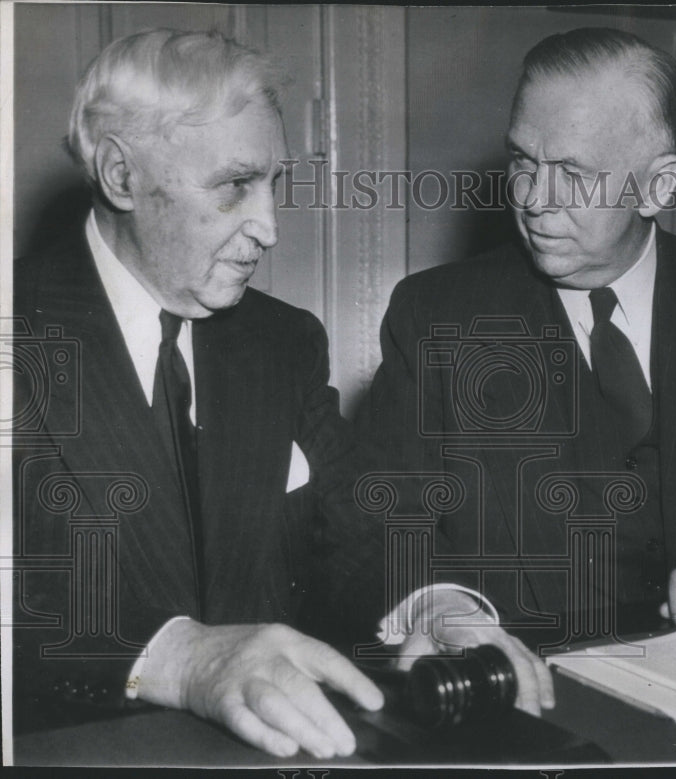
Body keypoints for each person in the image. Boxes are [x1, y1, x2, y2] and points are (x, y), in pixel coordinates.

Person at [11, 29, 550, 760]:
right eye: (236, 184)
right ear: (120, 174)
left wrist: (437, 603)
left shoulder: (282, 342)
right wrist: (178, 658)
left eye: (274, 185)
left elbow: (362, 521)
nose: (267, 227)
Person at [357, 27, 676, 650]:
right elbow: (377, 518)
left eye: (572, 173)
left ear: (657, 186)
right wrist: (441, 605)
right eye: (522, 161)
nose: (532, 200)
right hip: (529, 680)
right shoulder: (435, 315)